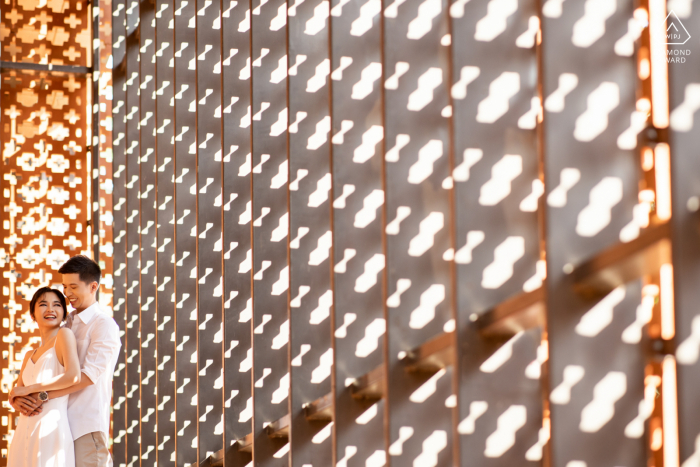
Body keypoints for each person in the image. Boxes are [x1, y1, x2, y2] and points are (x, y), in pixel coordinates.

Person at [11, 256, 122, 467]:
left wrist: (40, 396)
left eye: (73, 286)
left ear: (93, 287)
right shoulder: (68, 321)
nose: (67, 293)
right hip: (60, 423)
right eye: (65, 287)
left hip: (85, 425)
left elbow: (87, 377)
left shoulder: (104, 325)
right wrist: (19, 398)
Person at [8, 287, 81, 467]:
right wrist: (14, 400)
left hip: (51, 429)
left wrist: (31, 389)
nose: (50, 309)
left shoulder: (64, 335)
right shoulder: (29, 354)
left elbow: (73, 376)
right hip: (24, 430)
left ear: (64, 313)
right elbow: (18, 394)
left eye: (57, 305)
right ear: (32, 314)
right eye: (43, 304)